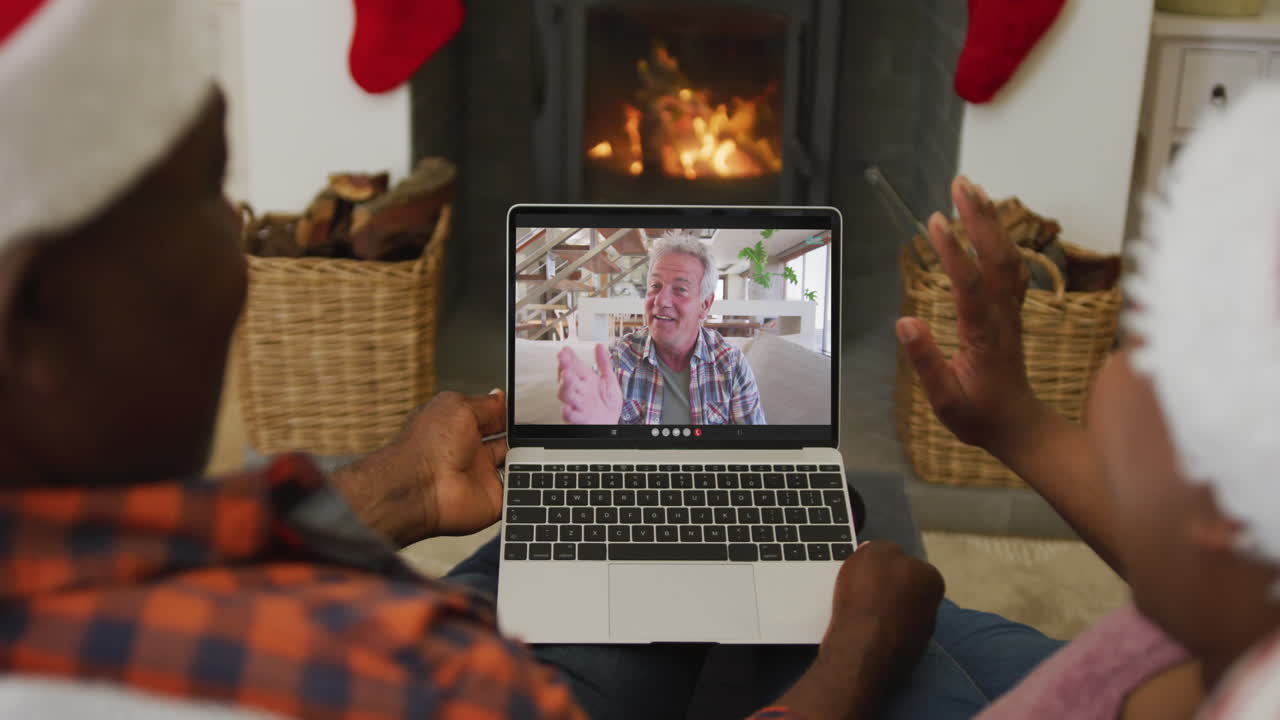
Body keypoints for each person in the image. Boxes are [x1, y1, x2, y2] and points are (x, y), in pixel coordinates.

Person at [0, 1, 953, 718]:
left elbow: (180, 551)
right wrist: (848, 668)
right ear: (35, 311)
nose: (245, 260)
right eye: (213, 192)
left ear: (708, 304)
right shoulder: (426, 678)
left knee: (566, 549)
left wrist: (404, 490)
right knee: (904, 626)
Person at [893, 84, 1280, 718]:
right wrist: (1018, 422)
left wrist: (842, 667)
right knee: (928, 615)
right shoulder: (1236, 605)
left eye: (1142, 338)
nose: (1119, 360)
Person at [556, 231, 767, 425]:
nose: (661, 300)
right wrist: (598, 430)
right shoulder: (619, 359)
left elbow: (755, 452)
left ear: (704, 305)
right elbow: (597, 447)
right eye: (655, 286)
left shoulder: (731, 365)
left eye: (680, 289)